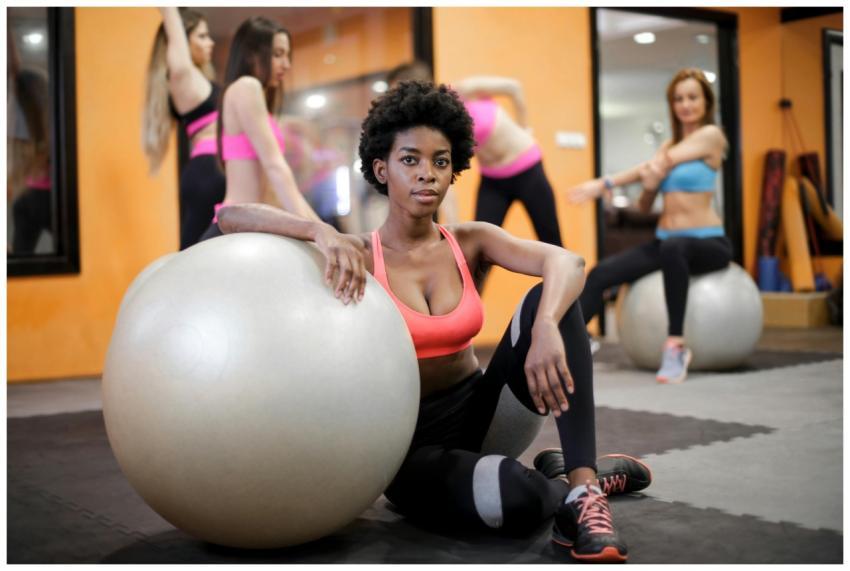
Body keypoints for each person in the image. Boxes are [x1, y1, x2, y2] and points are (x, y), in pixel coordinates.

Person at [217, 81, 652, 563]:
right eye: (410, 160)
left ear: (454, 169)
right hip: (409, 449)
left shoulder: (469, 241)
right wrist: (316, 230)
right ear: (382, 169)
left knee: (553, 299)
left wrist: (546, 324)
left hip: (487, 418)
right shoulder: (358, 252)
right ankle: (562, 477)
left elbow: (567, 263)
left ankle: (585, 490)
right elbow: (230, 217)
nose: (427, 174)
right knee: (518, 498)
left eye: (440, 161)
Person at [569, 68, 732, 384]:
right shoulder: (668, 146)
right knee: (601, 273)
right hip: (667, 242)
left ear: (706, 101)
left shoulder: (712, 136)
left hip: (708, 242)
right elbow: (645, 204)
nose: (685, 104)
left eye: (692, 97)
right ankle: (575, 342)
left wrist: (604, 183)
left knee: (675, 248)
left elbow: (657, 165)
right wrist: (650, 184)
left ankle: (675, 347)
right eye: (678, 98)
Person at [197, 16, 334, 243]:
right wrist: (320, 232)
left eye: (287, 55)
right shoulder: (246, 87)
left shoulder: (249, 95)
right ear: (252, 54)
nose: (286, 64)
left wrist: (319, 229)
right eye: (278, 54)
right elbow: (275, 167)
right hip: (237, 227)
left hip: (247, 226)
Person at [143, 7, 226, 250]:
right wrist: (170, 10)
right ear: (181, 40)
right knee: (195, 258)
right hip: (209, 173)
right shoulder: (183, 77)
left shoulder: (200, 81)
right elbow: (172, 26)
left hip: (215, 170)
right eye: (201, 36)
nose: (210, 42)